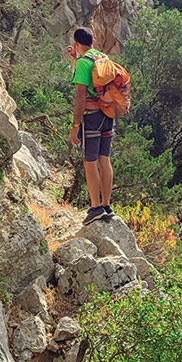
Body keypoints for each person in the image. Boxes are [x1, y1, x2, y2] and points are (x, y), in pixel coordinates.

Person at [66, 27, 115, 224]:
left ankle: (95, 208)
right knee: (105, 159)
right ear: (92, 42)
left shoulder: (84, 64)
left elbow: (81, 96)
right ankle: (106, 205)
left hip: (92, 116)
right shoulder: (103, 57)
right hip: (108, 114)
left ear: (77, 43)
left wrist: (75, 125)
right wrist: (75, 60)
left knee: (90, 162)